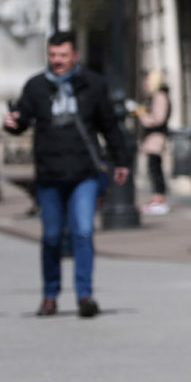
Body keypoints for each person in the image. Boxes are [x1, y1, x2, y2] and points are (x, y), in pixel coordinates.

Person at [4, 31, 132, 317]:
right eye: (52, 56)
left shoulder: (93, 85)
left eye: (63, 56)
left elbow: (109, 126)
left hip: (83, 173)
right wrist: (12, 123)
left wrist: (121, 160)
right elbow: (22, 120)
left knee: (83, 232)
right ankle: (50, 295)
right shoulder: (36, 86)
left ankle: (85, 295)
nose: (57, 61)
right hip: (49, 173)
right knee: (51, 236)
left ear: (75, 56)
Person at [137, 70, 172, 216]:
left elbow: (159, 118)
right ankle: (157, 198)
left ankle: (159, 199)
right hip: (152, 137)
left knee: (155, 167)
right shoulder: (156, 96)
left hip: (156, 137)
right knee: (153, 167)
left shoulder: (160, 96)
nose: (145, 83)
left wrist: (142, 115)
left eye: (147, 80)